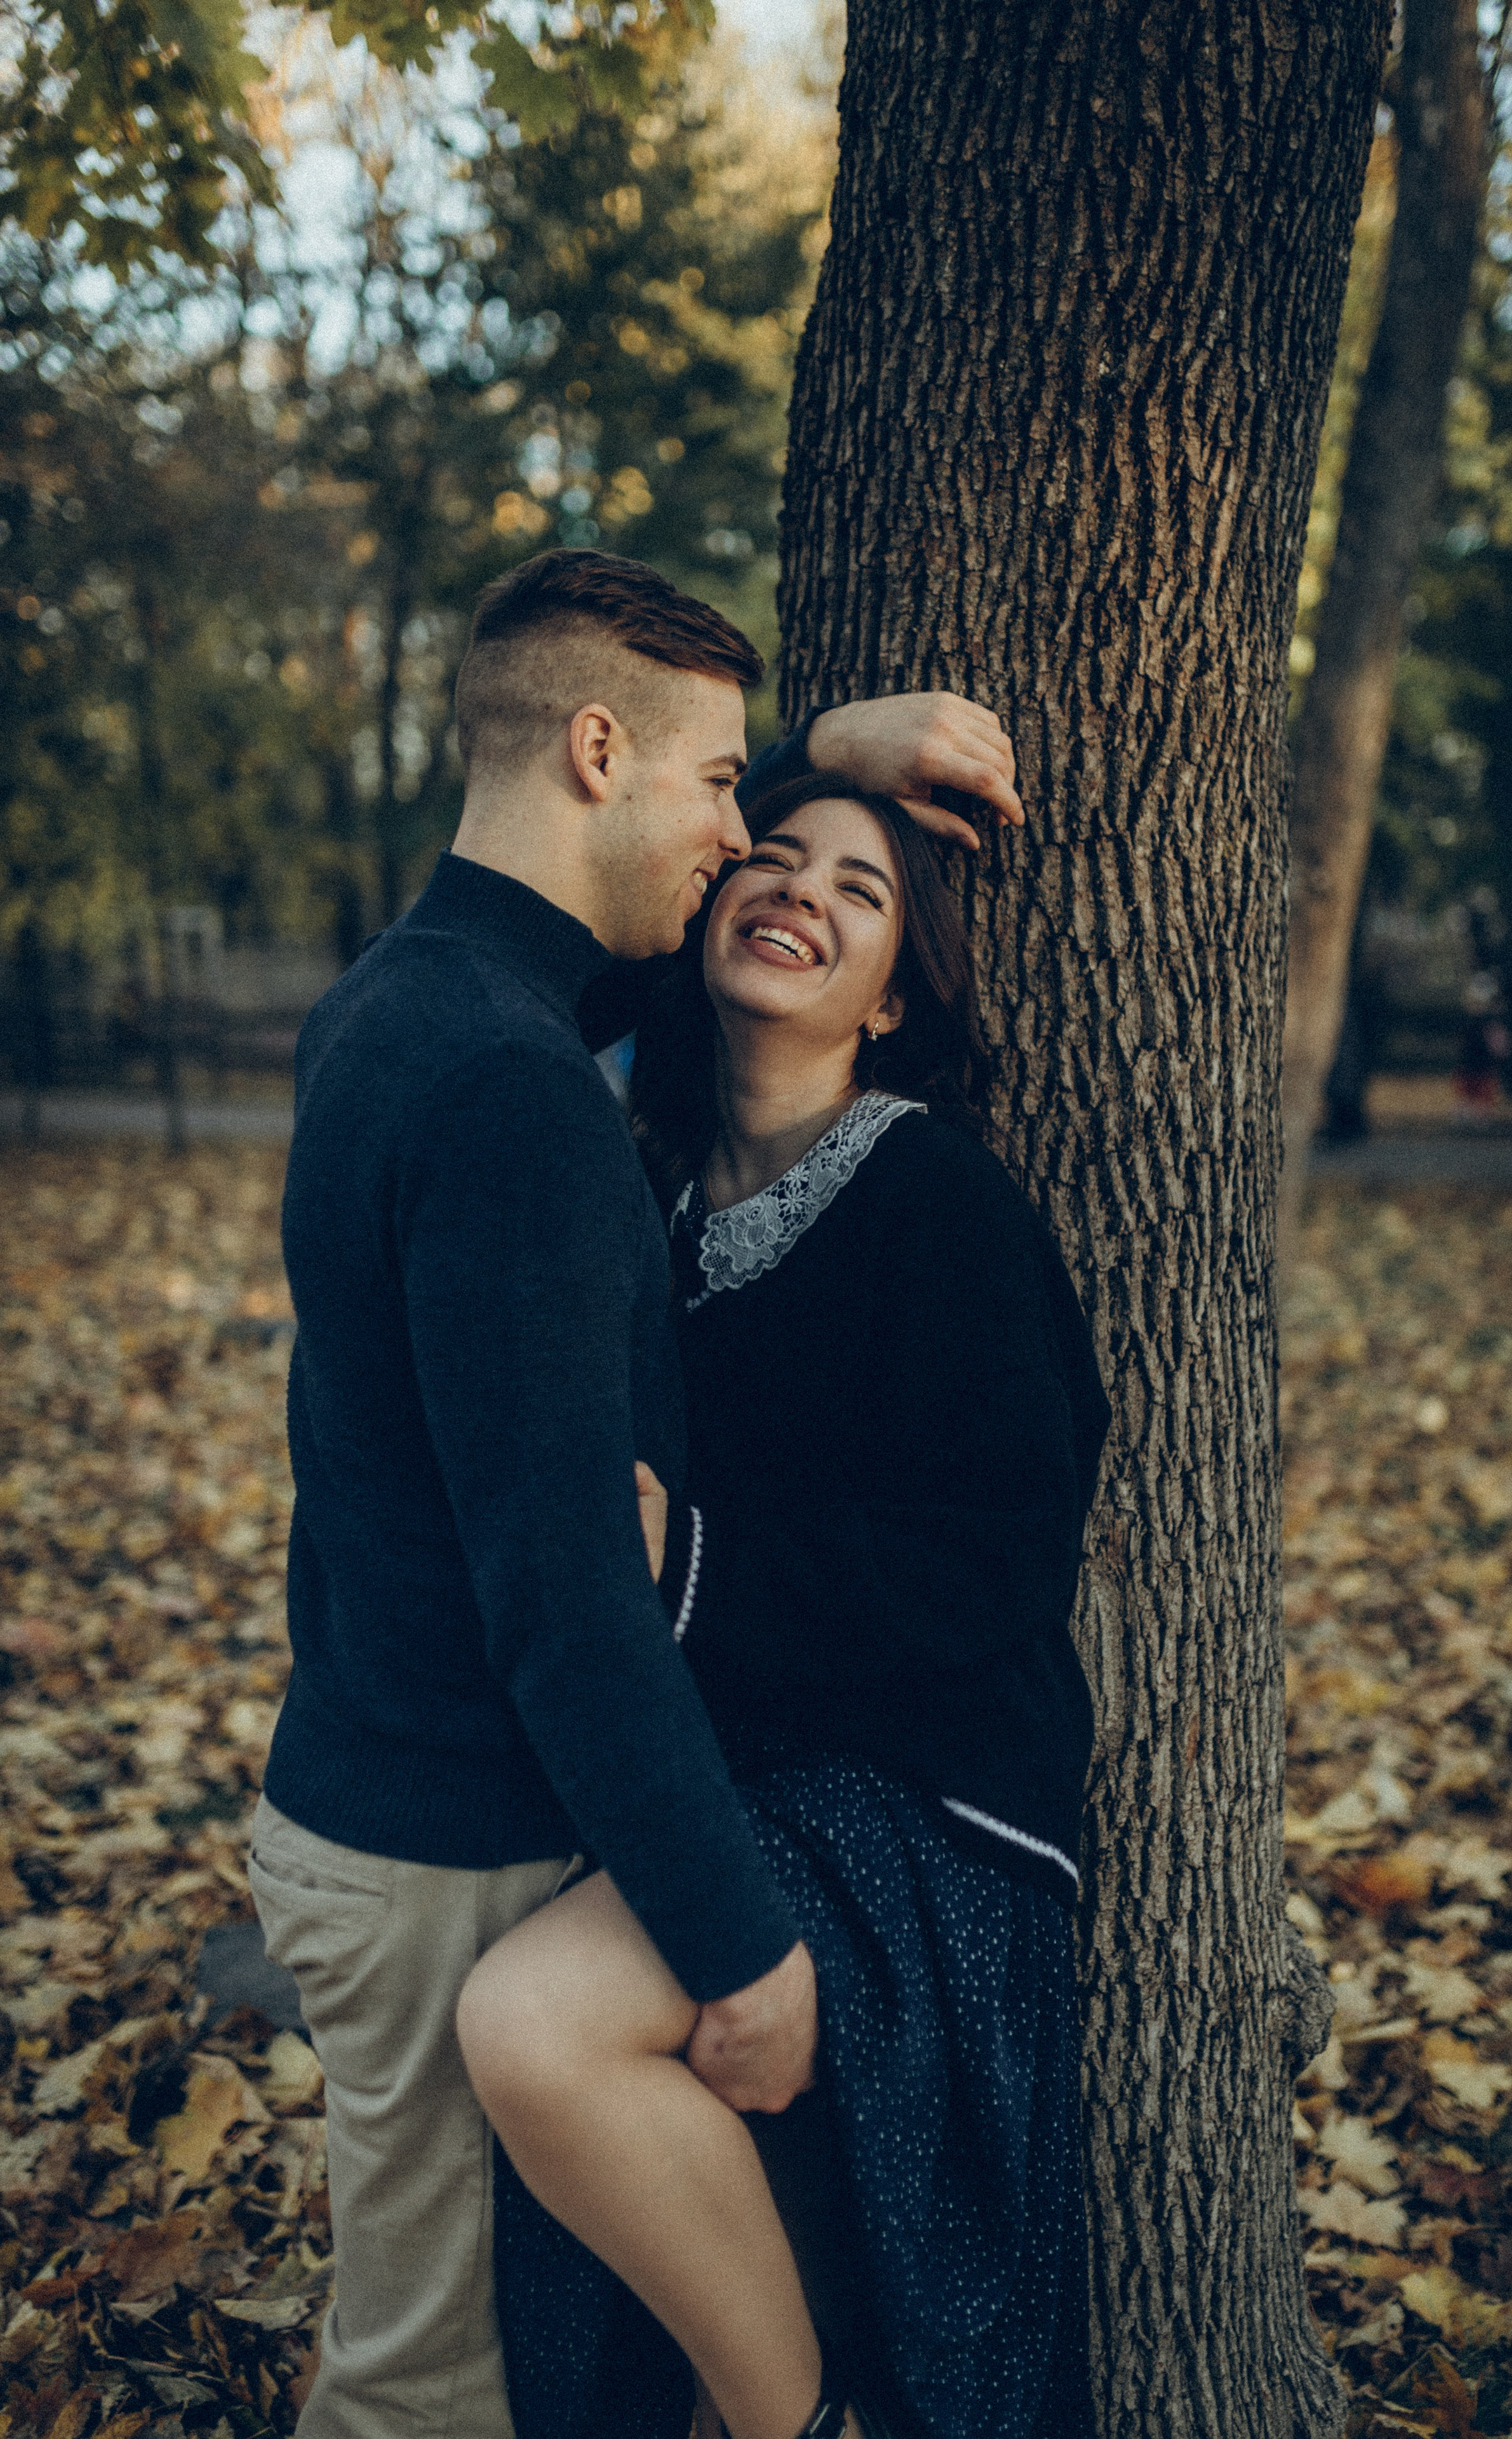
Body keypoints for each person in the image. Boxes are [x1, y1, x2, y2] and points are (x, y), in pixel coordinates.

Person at [248, 544, 1025, 2439]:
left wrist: (822, 743)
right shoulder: (518, 1091)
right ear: (599, 750)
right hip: (439, 1842)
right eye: (718, 789)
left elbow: (667, 851)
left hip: (385, 1786)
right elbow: (572, 1596)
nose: (739, 846)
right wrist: (739, 1942)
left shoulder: (407, 1002)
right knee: (425, 2396)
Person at [458, 771, 1109, 2439]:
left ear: (891, 997)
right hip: (740, 1774)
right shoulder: (652, 1201)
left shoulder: (942, 1209)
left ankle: (795, 2430)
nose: (799, 890)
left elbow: (1000, 1563)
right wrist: (831, 737)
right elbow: (522, 917)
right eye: (769, 853)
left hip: (932, 1803)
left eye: (861, 889)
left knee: (532, 2023)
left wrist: (700, 1564)